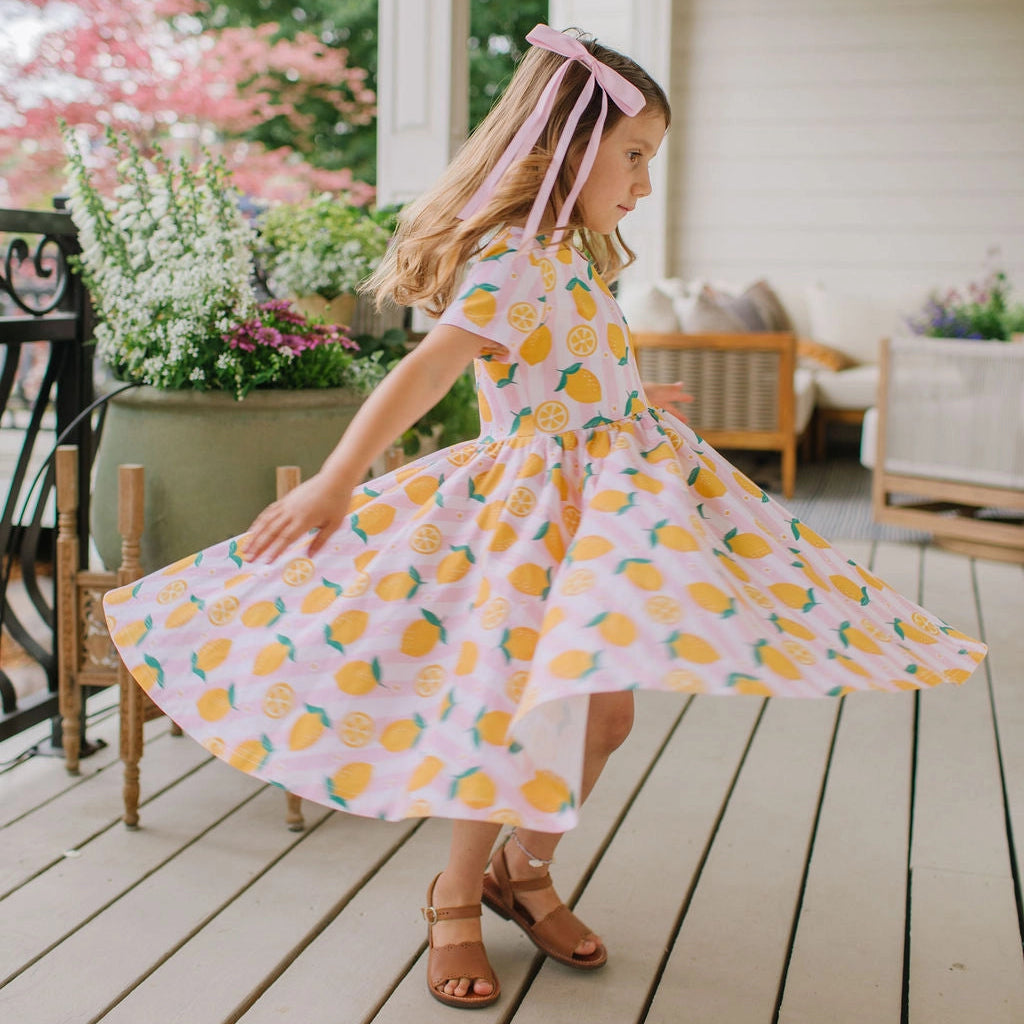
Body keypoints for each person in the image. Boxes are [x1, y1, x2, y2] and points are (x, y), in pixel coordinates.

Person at [103, 24, 986, 1011]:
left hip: (604, 512)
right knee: (508, 713)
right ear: (566, 146)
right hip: (524, 523)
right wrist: (339, 476)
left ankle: (521, 871)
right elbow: (429, 366)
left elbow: (572, 370)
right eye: (634, 156)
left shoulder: (577, 255)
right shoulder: (513, 257)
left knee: (605, 712)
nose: (643, 184)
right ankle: (454, 895)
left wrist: (633, 405)